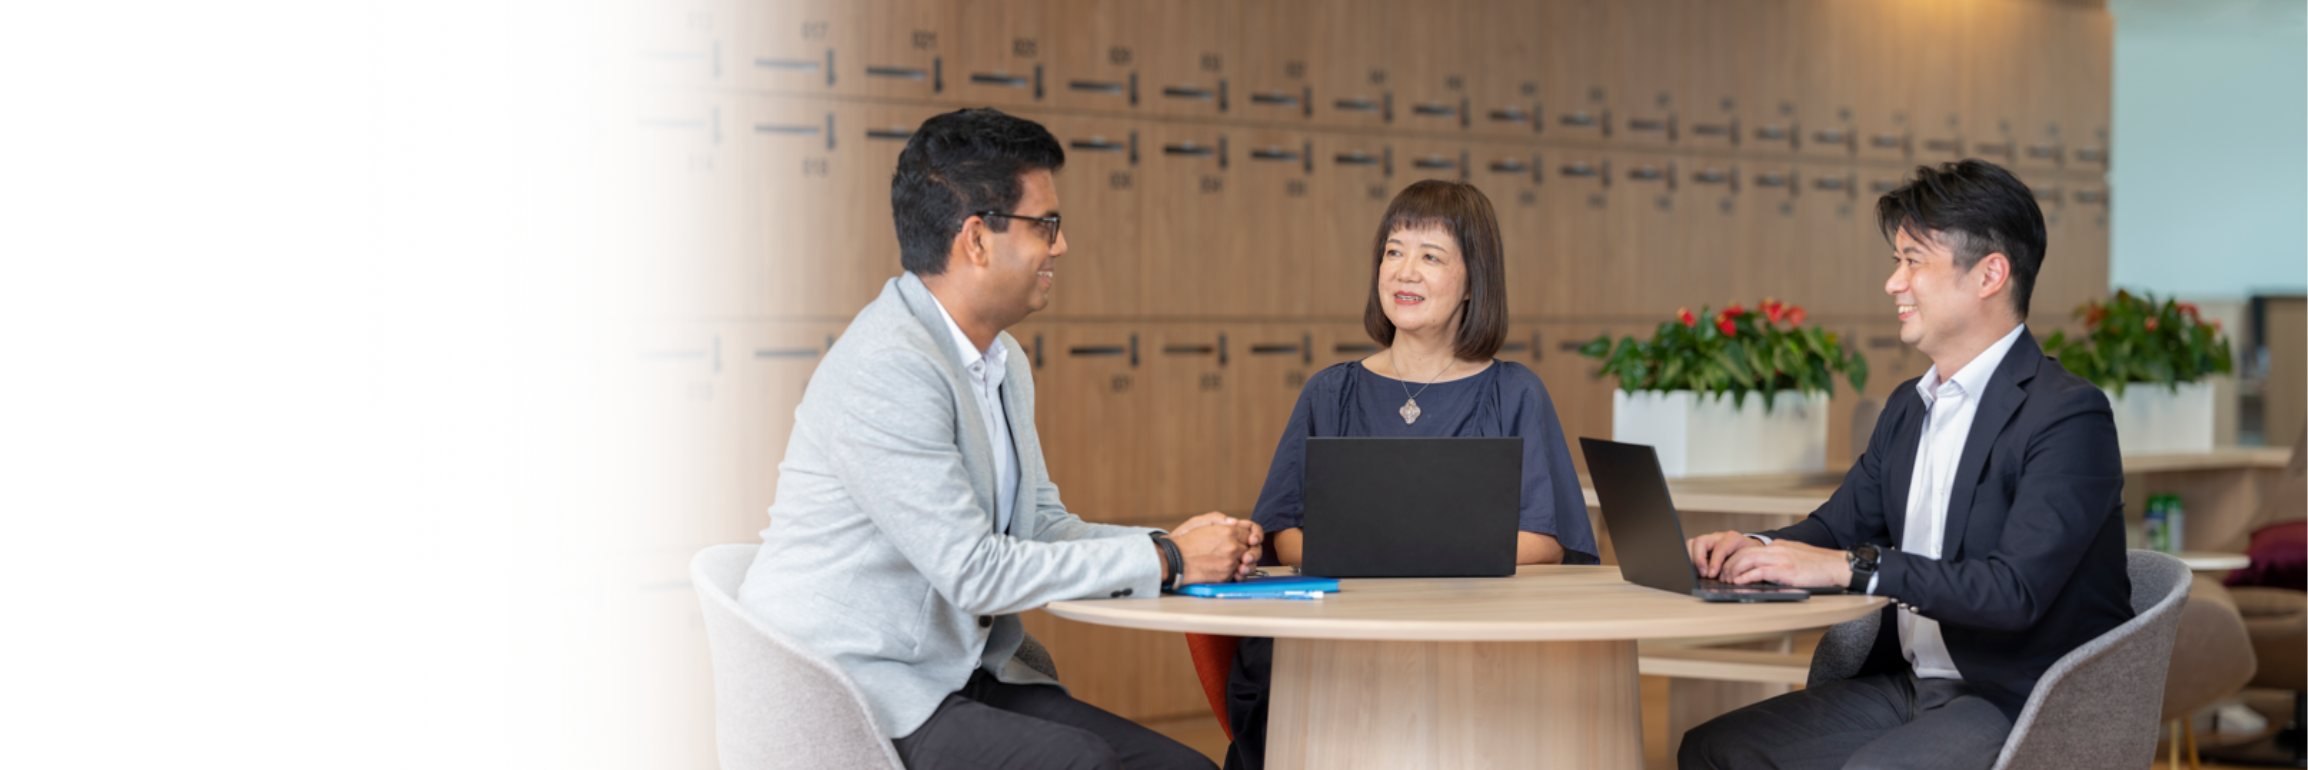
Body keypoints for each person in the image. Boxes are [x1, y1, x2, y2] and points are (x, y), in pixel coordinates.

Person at [739, 107, 1260, 770]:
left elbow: (1038, 527)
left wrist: (1168, 547)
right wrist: (1168, 561)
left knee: (1180, 767)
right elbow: (974, 572)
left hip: (957, 676)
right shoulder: (888, 366)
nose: (1061, 246)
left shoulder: (1001, 359)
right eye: (1046, 224)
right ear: (976, 240)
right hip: (859, 691)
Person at [1677, 159, 2132, 770]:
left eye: (1913, 261)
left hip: (2021, 696)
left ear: (1989, 274)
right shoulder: (1909, 406)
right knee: (1715, 750)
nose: (1894, 283)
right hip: (1912, 686)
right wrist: (1748, 546)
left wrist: (1853, 569)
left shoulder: (2069, 416)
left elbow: (2014, 592)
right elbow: (1837, 531)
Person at [1216, 179, 1600, 770]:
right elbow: (1282, 533)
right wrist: (1406, 556)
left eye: (1431, 256)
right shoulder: (1331, 391)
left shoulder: (1515, 392)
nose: (1405, 273)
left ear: (1475, 281)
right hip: (1340, 639)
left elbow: (1547, 542)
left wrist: (1391, 554)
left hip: (1476, 640)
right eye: (1394, 251)